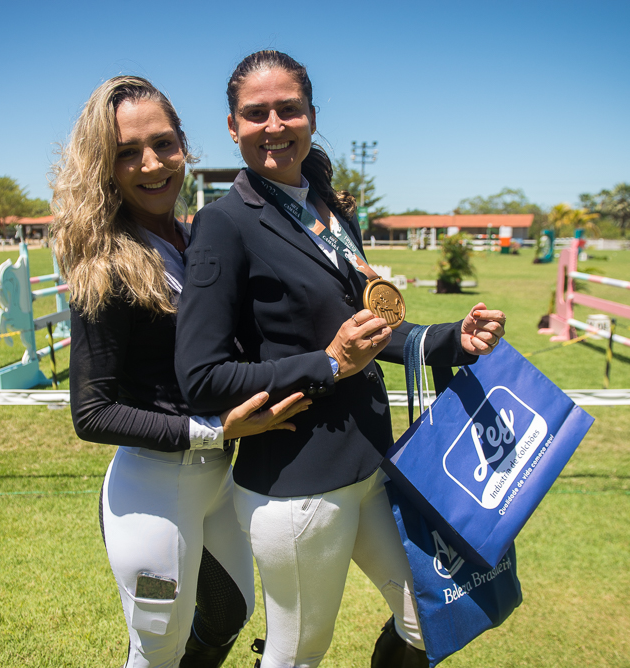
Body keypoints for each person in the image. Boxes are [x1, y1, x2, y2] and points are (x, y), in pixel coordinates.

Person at [175, 51, 506, 668]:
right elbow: (202, 378)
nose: (274, 125)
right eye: (256, 113)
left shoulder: (331, 210)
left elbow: (373, 331)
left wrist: (452, 340)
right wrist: (325, 364)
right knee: (300, 653)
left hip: (371, 464)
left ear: (311, 115)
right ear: (231, 127)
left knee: (427, 614)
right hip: (296, 486)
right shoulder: (223, 224)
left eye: (288, 109)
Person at [52, 75, 310, 668]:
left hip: (218, 480)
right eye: (126, 153)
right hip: (153, 486)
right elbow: (91, 415)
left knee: (226, 616)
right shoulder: (105, 267)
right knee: (158, 647)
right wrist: (213, 430)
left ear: (185, 145)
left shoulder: (198, 239)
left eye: (164, 144)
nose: (152, 164)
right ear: (103, 166)